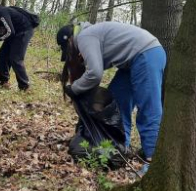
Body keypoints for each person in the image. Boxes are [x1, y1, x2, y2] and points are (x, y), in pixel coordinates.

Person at [57, 21, 166, 164]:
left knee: (148, 108)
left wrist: (74, 88)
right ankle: (120, 148)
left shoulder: (84, 36)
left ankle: (152, 160)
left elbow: (95, 74)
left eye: (68, 50)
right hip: (132, 62)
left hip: (147, 54)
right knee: (116, 103)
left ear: (70, 40)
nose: (73, 54)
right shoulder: (90, 35)